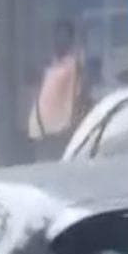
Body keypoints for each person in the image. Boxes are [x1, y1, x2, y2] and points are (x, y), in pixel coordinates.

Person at [28, 19, 86, 159]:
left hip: (61, 128)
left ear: (71, 39)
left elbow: (79, 92)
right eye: (57, 36)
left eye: (64, 36)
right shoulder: (49, 64)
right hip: (41, 126)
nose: (60, 40)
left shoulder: (74, 63)